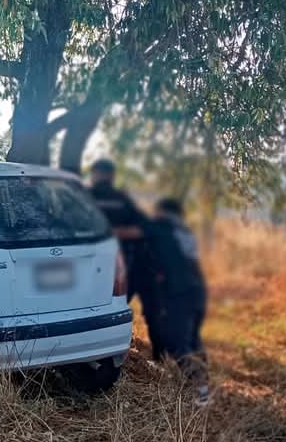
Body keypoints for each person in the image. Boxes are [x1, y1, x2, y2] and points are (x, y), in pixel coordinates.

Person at [142, 198, 210, 406]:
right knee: (192, 339)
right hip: (197, 291)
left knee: (177, 342)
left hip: (180, 293)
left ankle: (199, 389)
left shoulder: (162, 228)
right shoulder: (184, 232)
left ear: (162, 211)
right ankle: (203, 386)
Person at [88, 159, 147, 300]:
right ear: (112, 176)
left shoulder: (83, 196)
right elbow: (143, 229)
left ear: (94, 175)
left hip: (89, 261)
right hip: (119, 262)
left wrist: (107, 233)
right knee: (116, 302)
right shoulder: (122, 199)